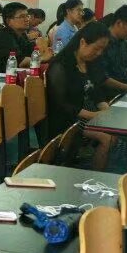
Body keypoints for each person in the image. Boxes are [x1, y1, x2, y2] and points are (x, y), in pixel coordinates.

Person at [46, 21, 115, 169]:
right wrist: (94, 115)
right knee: (107, 138)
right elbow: (61, 105)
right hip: (68, 119)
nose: (99, 53)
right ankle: (95, 177)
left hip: (84, 114)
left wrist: (106, 109)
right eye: (96, 48)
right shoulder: (60, 66)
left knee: (115, 132)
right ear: (83, 42)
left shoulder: (90, 62)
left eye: (102, 50)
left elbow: (96, 92)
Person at [96, 5, 127, 96]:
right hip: (110, 95)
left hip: (126, 90)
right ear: (118, 23)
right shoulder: (102, 43)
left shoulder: (124, 44)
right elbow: (103, 79)